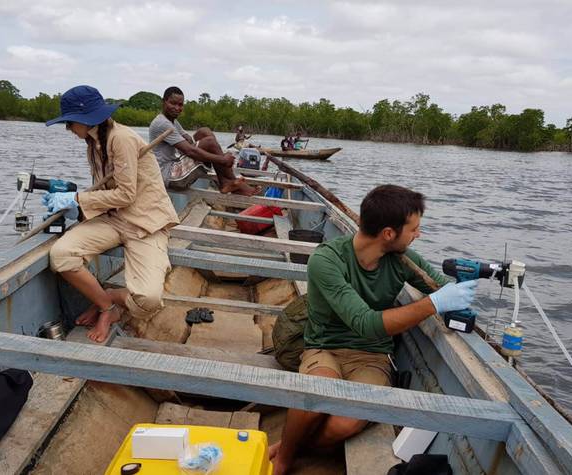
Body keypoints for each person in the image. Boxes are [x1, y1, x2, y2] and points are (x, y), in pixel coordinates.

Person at [268, 184, 478, 475]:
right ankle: (283, 460)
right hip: (324, 346)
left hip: (372, 355)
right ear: (388, 234)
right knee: (315, 397)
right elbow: (365, 323)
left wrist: (460, 292)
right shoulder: (327, 260)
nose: (418, 235)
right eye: (414, 229)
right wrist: (433, 304)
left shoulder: (403, 260)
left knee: (347, 422)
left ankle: (290, 446)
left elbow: (437, 285)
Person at [43, 85, 179, 343]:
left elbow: (126, 195)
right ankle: (106, 306)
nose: (69, 129)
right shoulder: (93, 143)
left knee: (148, 301)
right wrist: (77, 209)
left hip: (145, 224)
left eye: (70, 123)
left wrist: (77, 198)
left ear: (84, 119)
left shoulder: (122, 139)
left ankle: (111, 298)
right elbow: (107, 194)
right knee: (61, 255)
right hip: (113, 220)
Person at [149, 87, 256, 195]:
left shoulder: (172, 121)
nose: (177, 108)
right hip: (168, 176)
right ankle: (231, 182)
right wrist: (222, 159)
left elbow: (189, 140)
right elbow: (190, 151)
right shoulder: (162, 123)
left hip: (174, 165)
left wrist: (210, 151)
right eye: (173, 103)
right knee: (209, 142)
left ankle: (225, 182)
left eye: (180, 105)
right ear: (164, 102)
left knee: (204, 131)